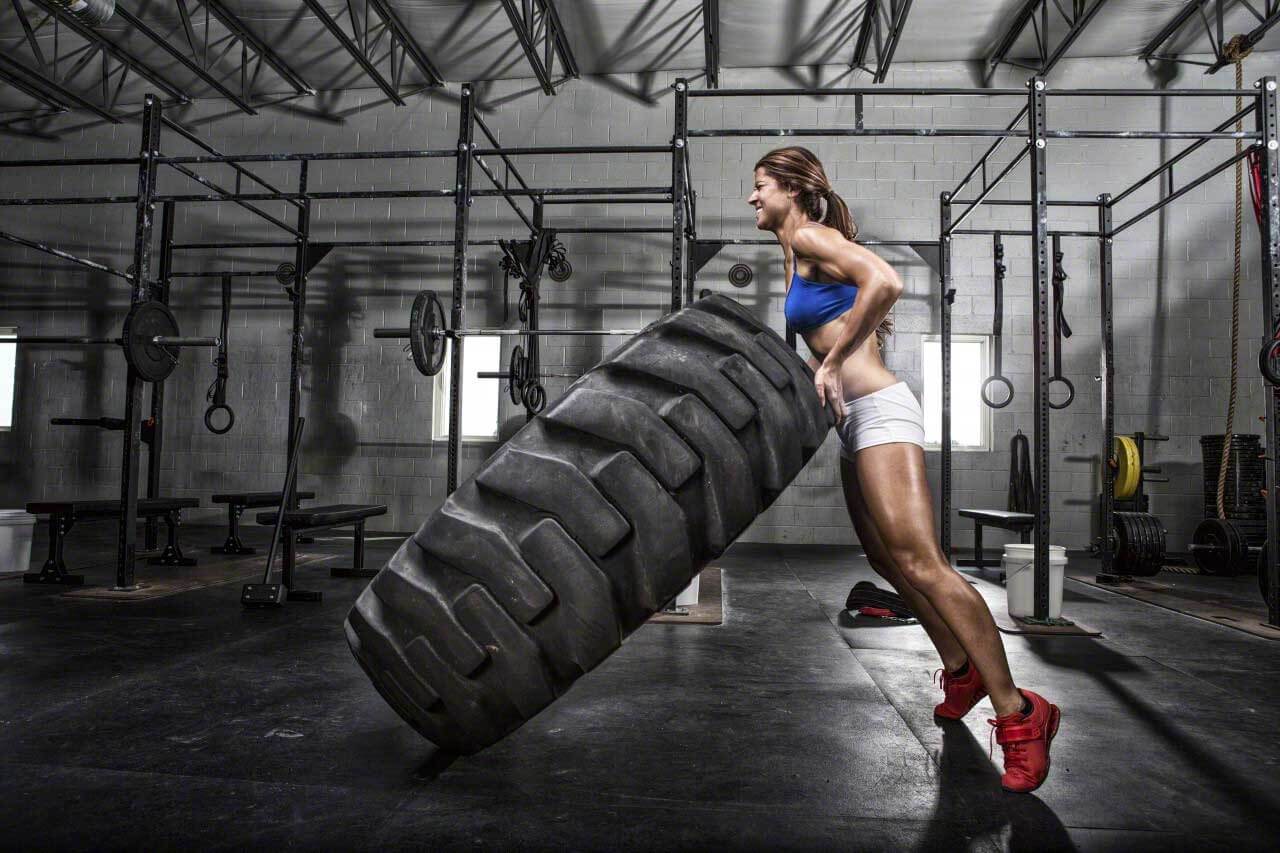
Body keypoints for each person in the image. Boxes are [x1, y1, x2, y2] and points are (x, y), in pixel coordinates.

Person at [748, 146, 1060, 794]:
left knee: (922, 563)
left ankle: (1020, 712)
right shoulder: (794, 248)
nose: (752, 198)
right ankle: (961, 669)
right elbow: (836, 324)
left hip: (881, 413)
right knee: (886, 560)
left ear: (792, 190)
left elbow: (885, 281)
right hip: (854, 424)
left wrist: (832, 362)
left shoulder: (810, 235)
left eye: (761, 186)